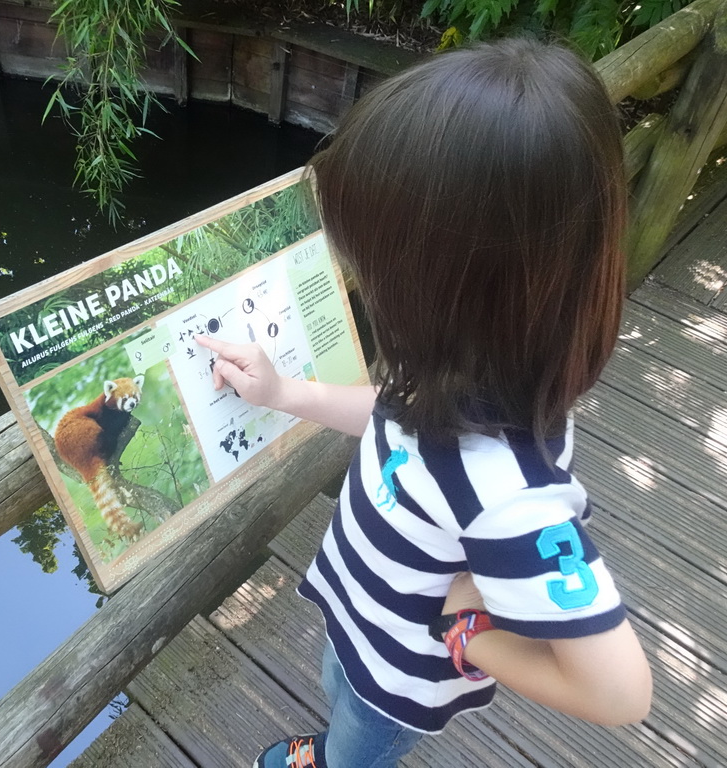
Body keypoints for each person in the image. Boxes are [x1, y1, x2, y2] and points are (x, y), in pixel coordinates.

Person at [197, 35, 653, 768]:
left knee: (358, 744)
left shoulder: (508, 494)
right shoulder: (459, 374)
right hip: (362, 623)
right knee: (336, 687)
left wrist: (480, 639)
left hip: (400, 684)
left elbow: (621, 693)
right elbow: (392, 419)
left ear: (448, 290)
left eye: (375, 267)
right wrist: (285, 393)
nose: (362, 281)